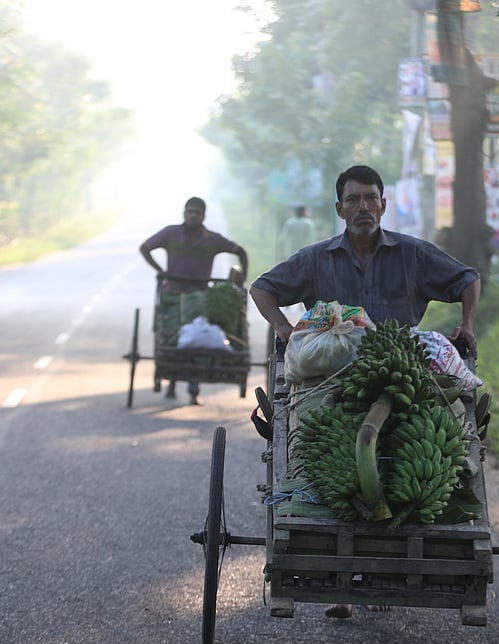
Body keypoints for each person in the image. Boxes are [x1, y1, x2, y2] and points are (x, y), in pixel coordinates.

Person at [250, 164, 481, 619]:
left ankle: (392, 560)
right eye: (353, 200)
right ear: (340, 208)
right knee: (325, 454)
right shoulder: (317, 259)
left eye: (370, 198)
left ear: (383, 204)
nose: (363, 208)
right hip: (332, 377)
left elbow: (466, 279)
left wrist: (467, 325)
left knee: (422, 450)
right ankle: (337, 575)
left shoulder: (412, 254)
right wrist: (282, 327)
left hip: (400, 371)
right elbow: (262, 288)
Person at [140, 197, 249, 405]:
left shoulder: (213, 239)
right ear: (184, 213)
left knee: (197, 337)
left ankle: (193, 388)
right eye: (190, 211)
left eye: (197, 212)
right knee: (171, 335)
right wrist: (160, 270)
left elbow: (240, 252)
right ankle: (171, 380)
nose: (193, 215)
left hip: (200, 297)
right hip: (173, 294)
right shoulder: (170, 233)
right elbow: (145, 248)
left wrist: (242, 276)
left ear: (203, 216)